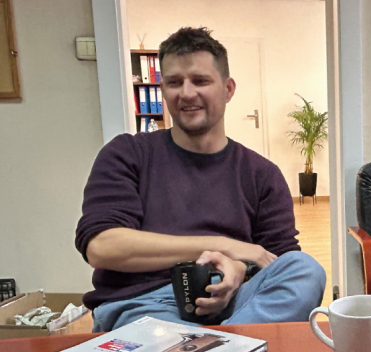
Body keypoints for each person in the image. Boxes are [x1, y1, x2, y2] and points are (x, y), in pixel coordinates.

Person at [75, 27, 325, 332]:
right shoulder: (127, 154)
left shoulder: (262, 174)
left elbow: (278, 263)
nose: (186, 93)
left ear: (228, 89)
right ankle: (226, 349)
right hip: (143, 304)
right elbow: (102, 247)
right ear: (163, 89)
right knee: (174, 342)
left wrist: (238, 269)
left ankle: (212, 350)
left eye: (200, 81)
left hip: (237, 303)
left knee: (306, 270)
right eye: (174, 82)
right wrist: (223, 246)